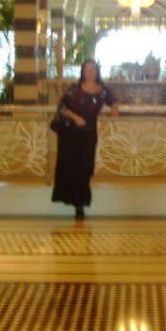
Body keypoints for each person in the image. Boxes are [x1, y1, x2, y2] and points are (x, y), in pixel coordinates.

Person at [52, 58, 119, 219]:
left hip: (88, 136)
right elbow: (62, 107)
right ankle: (77, 206)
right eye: (87, 69)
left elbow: (113, 102)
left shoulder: (102, 90)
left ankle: (80, 202)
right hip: (71, 135)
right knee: (70, 169)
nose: (89, 72)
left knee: (84, 170)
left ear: (97, 72)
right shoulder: (74, 89)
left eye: (92, 69)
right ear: (82, 71)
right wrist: (75, 117)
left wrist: (113, 111)